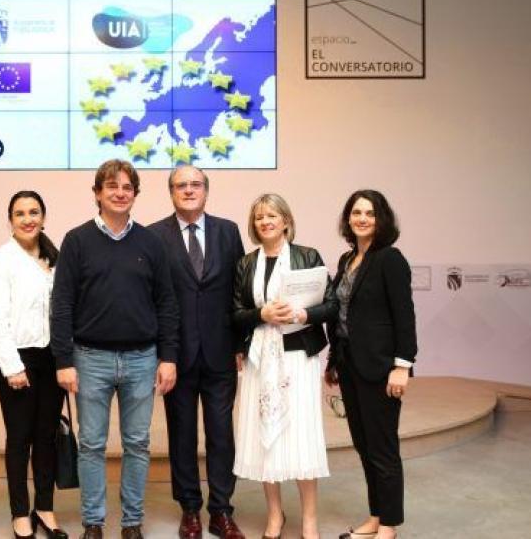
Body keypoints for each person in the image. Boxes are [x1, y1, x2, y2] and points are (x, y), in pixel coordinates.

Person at [50, 159, 180, 539]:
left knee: (137, 444)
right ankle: (93, 522)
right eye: (112, 186)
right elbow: (62, 304)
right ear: (97, 193)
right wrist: (64, 360)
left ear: (135, 194)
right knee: (91, 445)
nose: (120, 193)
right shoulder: (77, 241)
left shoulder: (151, 243)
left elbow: (167, 303)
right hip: (90, 359)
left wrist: (168, 357)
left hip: (142, 360)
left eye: (127, 187)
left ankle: (131, 522)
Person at [149, 165, 246, 539]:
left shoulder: (228, 231)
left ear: (206, 190)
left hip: (221, 353)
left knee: (222, 435)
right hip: (177, 356)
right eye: (181, 185)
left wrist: (240, 344)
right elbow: (156, 299)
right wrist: (164, 354)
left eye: (195, 184)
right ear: (171, 192)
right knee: (182, 436)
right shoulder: (154, 236)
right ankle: (189, 509)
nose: (188, 190)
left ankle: (221, 510)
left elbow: (239, 292)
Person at [231, 194, 335, 539]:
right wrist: (260, 314)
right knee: (267, 442)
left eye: (272, 215)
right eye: (259, 217)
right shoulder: (246, 264)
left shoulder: (308, 256)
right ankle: (275, 515)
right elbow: (235, 314)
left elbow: (332, 305)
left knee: (303, 437)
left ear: (286, 221)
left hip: (299, 358)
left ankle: (309, 519)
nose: (265, 222)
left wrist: (304, 314)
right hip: (260, 360)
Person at [325, 190, 417, 539]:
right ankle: (376, 517)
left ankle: (389, 526)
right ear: (348, 219)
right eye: (356, 212)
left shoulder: (389, 259)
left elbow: (404, 316)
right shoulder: (348, 259)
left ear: (381, 219)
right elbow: (342, 315)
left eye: (370, 213)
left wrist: (402, 366)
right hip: (349, 365)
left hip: (380, 368)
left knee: (382, 449)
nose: (362, 219)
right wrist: (333, 361)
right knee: (365, 447)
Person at [0, 191, 68, 539]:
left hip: (52, 358)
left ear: (43, 217)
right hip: (18, 358)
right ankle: (19, 512)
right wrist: (11, 367)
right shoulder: (0, 262)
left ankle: (44, 507)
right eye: (20, 213)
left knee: (47, 436)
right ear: (10, 221)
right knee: (20, 438)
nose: (28, 219)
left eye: (34, 212)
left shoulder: (55, 257)